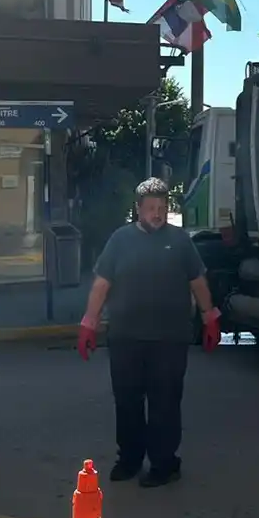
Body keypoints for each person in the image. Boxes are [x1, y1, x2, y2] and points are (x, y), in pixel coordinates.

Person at [77, 177, 221, 488]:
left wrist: (210, 317)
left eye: (162, 208)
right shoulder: (120, 240)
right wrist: (88, 324)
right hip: (126, 337)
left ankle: (164, 464)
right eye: (151, 208)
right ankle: (129, 460)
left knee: (164, 403)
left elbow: (198, 282)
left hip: (169, 339)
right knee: (127, 401)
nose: (157, 214)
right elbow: (102, 284)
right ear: (138, 210)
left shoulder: (181, 241)